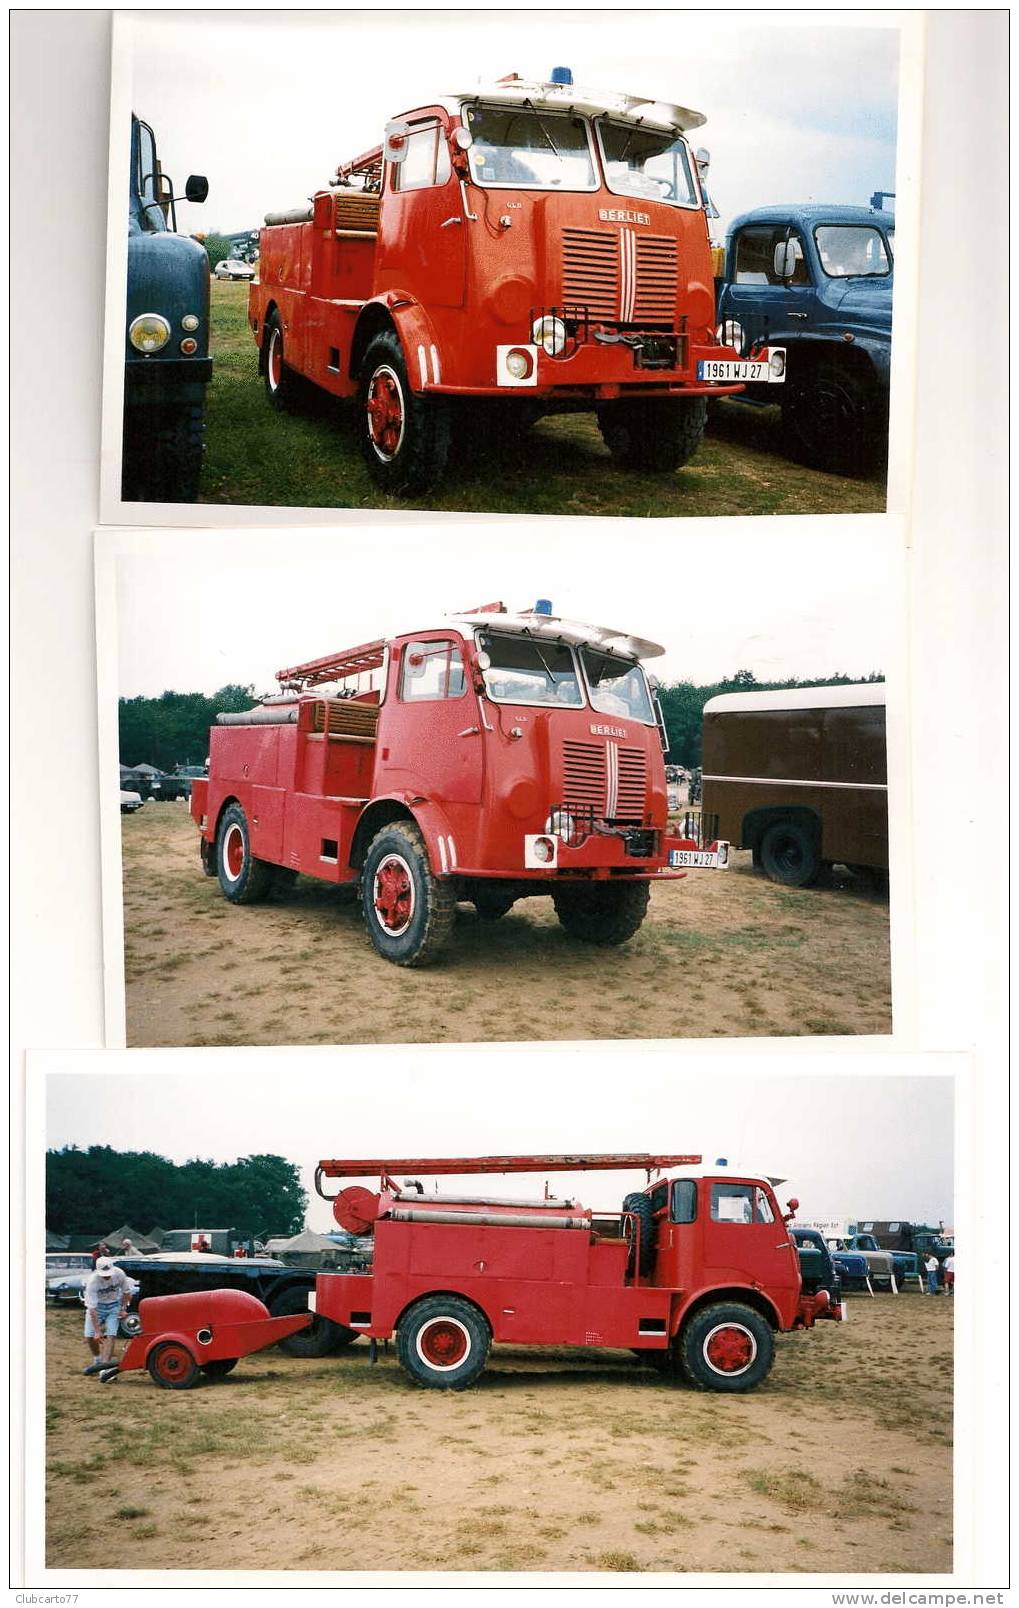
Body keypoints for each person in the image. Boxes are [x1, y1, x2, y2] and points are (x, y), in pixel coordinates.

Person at [82, 1256, 134, 1375]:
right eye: (104, 1274)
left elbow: (127, 1293)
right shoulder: (92, 1282)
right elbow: (92, 1308)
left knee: (111, 1334)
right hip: (97, 1307)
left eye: (108, 1273)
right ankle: (97, 1359)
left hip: (114, 1306)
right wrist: (97, 1331)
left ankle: (105, 1367)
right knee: (89, 1336)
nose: (107, 1276)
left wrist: (123, 1309)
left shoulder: (120, 1274)